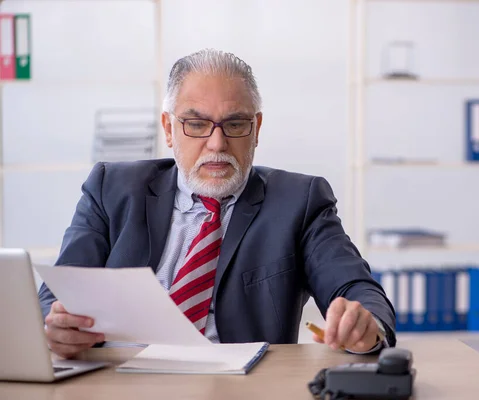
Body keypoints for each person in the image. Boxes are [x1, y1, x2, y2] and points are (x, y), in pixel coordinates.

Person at [38, 49, 396, 359]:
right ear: (168, 128)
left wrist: (365, 324)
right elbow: (55, 296)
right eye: (196, 124)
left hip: (241, 387)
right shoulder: (112, 188)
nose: (216, 143)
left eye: (235, 124)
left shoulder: (299, 202)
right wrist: (54, 328)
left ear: (256, 129)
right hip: (120, 382)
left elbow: (357, 288)